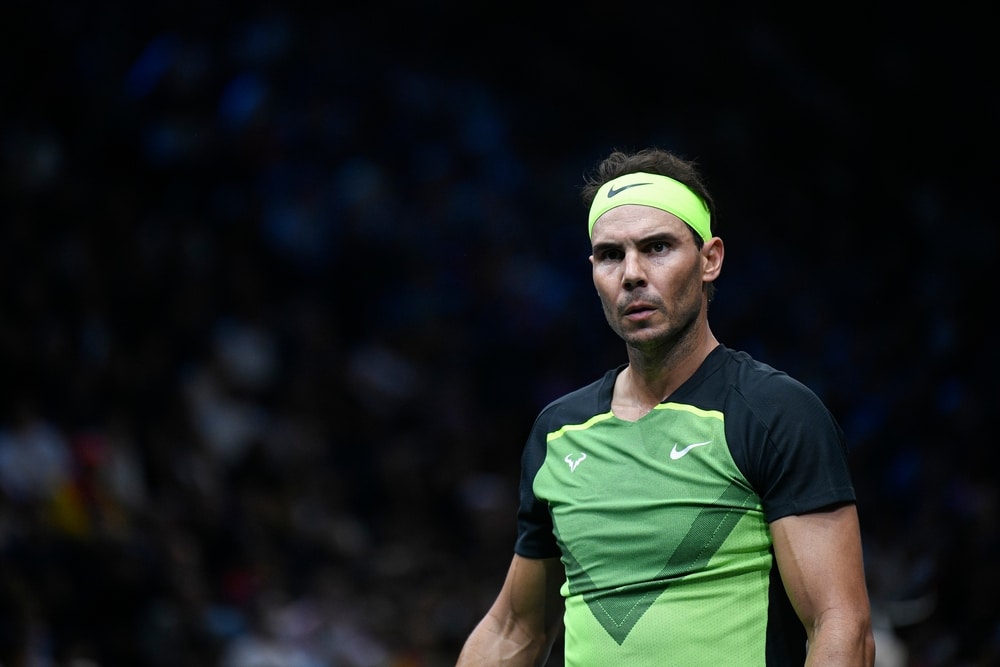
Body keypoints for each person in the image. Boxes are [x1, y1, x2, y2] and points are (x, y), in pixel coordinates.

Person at [456, 147, 875, 666]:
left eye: (657, 247)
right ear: (593, 271)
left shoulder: (776, 414)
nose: (631, 274)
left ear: (709, 259)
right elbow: (514, 629)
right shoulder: (559, 432)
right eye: (611, 255)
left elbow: (840, 626)